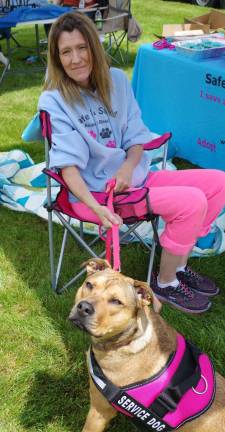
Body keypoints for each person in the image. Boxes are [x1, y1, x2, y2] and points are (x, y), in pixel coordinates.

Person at [38, 11, 225, 314]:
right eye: (66, 52)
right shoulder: (55, 100)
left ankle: (177, 265)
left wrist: (127, 166)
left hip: (133, 178)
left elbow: (135, 138)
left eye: (82, 47)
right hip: (99, 194)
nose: (75, 59)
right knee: (191, 201)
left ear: (94, 48)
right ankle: (165, 284)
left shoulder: (116, 81)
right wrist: (97, 208)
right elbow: (68, 168)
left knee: (218, 183)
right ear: (57, 59)